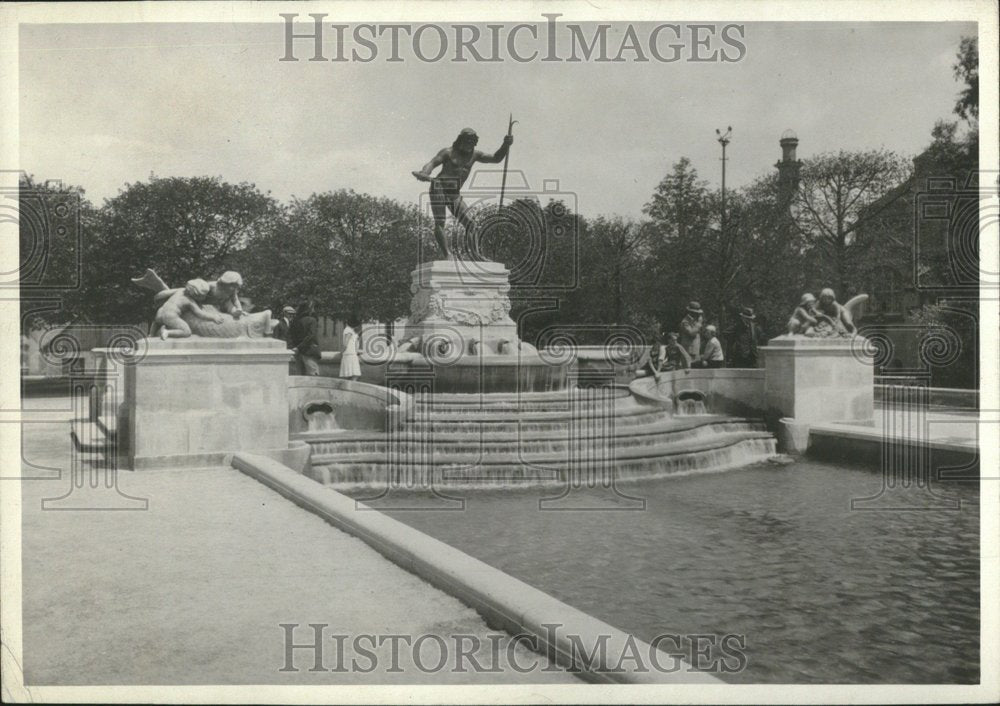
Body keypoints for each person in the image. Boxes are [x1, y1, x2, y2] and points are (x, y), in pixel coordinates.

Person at [412, 127, 514, 259]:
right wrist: (425, 173)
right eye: (467, 141)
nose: (469, 145)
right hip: (439, 188)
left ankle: (476, 255)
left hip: (455, 193)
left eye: (472, 142)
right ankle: (447, 254)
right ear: (460, 141)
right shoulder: (448, 152)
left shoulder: (475, 155)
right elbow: (432, 163)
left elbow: (496, 158)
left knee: (471, 224)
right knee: (440, 221)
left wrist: (505, 145)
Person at [152, 278, 224, 340]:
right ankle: (167, 332)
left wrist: (156, 297)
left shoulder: (180, 290)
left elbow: (164, 293)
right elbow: (200, 313)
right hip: (170, 316)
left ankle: (151, 334)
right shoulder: (189, 301)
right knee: (186, 332)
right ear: (195, 294)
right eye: (202, 296)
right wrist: (213, 317)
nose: (204, 298)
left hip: (159, 312)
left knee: (156, 322)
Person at [288, 300, 321, 376]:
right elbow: (311, 336)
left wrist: (295, 348)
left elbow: (291, 335)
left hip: (298, 353)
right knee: (313, 376)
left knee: (299, 376)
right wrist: (299, 347)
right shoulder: (312, 320)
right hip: (309, 351)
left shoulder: (295, 321)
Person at [339, 314, 362, 381]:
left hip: (350, 354)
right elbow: (347, 343)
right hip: (350, 354)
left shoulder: (348, 330)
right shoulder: (350, 331)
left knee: (350, 374)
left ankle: (350, 388)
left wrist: (342, 352)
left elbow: (346, 344)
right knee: (353, 374)